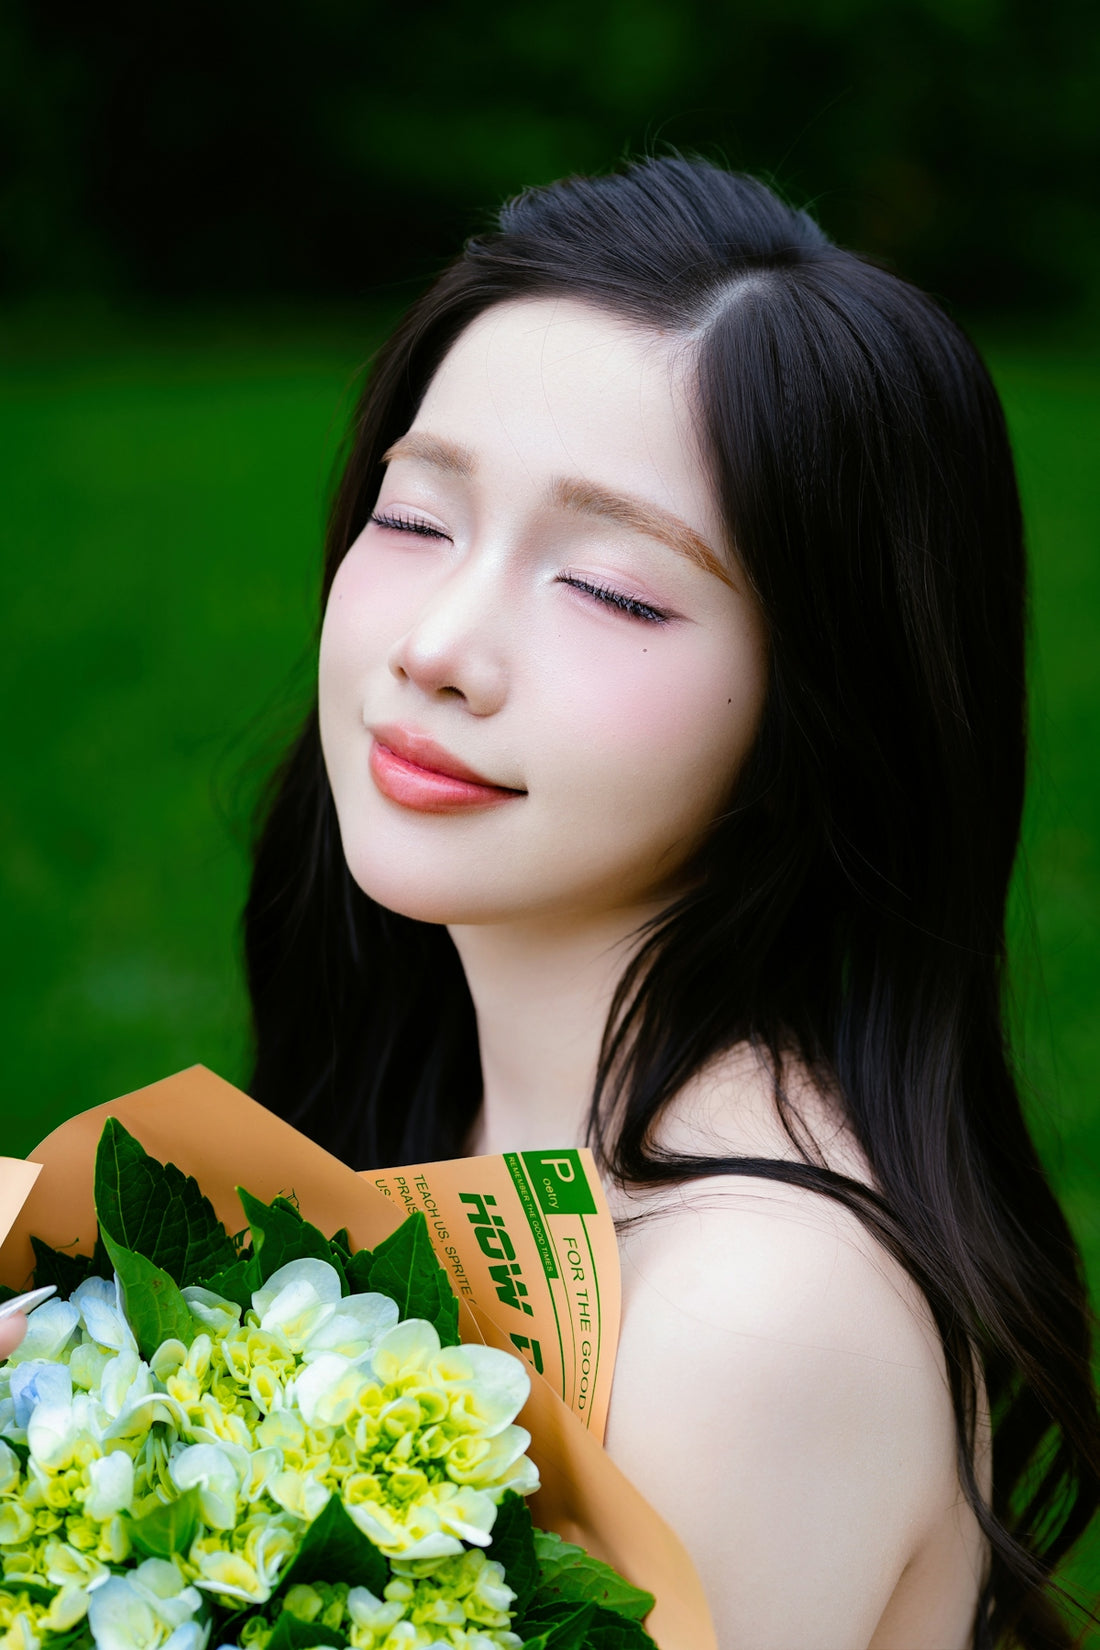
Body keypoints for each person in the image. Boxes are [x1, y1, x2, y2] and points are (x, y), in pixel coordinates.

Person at [243, 157, 1100, 1647]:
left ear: (823, 702)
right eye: (416, 518)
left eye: (614, 593)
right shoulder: (457, 1115)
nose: (441, 644)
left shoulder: (747, 1319)